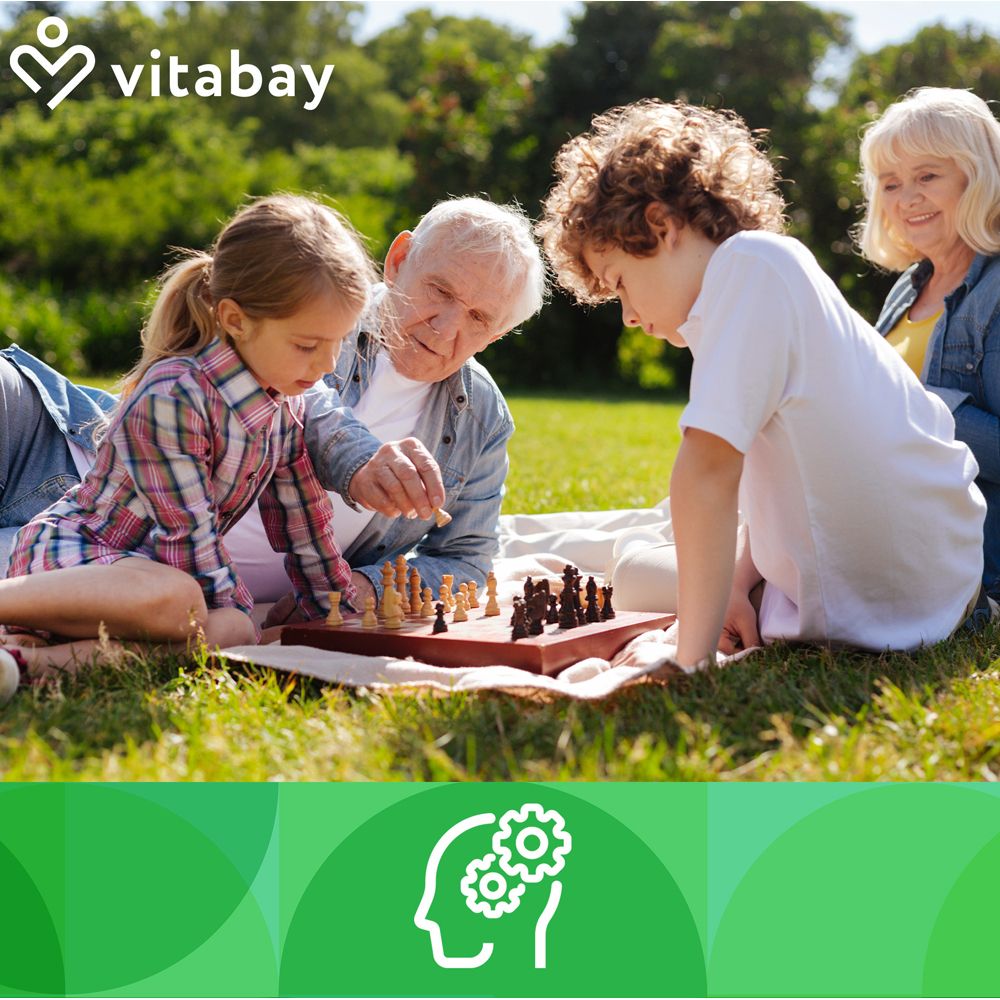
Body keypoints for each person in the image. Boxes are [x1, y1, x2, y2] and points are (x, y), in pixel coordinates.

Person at [537, 99, 986, 670]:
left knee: (632, 573)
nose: (627, 314)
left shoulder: (749, 268)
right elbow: (782, 485)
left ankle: (685, 579)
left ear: (660, 224)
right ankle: (724, 580)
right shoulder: (761, 277)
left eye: (620, 282)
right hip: (932, 587)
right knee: (662, 559)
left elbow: (706, 474)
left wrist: (689, 660)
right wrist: (731, 582)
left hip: (889, 598)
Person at [0, 198, 546, 627]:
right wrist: (361, 464)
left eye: (478, 318)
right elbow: (313, 411)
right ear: (399, 261)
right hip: (71, 470)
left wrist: (355, 588)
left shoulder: (480, 418)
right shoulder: (322, 305)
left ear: (498, 333)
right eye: (439, 290)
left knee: (175, 611)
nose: (446, 328)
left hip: (149, 578)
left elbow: (466, 559)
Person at [0, 194, 376, 683]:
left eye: (339, 343)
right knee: (196, 608)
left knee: (231, 630)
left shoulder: (287, 402)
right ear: (236, 319)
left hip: (160, 584)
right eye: (308, 345)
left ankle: (28, 664)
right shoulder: (175, 394)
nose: (328, 365)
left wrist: (337, 609)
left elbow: (303, 523)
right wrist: (232, 610)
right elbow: (189, 537)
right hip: (81, 560)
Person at [858, 86, 1000, 605]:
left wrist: (913, 405)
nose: (905, 198)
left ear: (977, 175)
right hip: (878, 524)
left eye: (927, 176)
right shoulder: (906, 289)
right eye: (891, 183)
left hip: (963, 560)